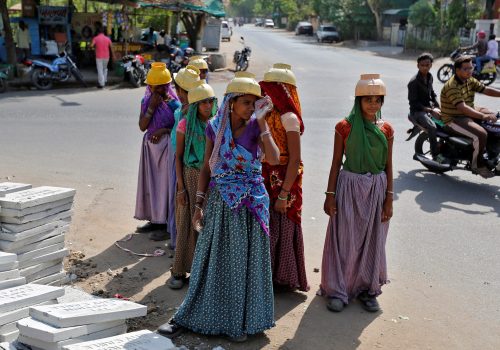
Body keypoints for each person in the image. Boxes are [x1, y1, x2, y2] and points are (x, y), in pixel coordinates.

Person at [158, 72, 280, 342]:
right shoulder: (215, 127)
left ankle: (242, 321)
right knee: (211, 260)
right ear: (231, 103)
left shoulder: (257, 127)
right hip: (220, 202)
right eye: (246, 103)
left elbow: (273, 157)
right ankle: (201, 313)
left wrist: (262, 123)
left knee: (244, 263)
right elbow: (206, 167)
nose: (251, 108)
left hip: (249, 205)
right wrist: (199, 202)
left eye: (254, 103)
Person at [321, 74, 394, 313]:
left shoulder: (386, 129)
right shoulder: (345, 127)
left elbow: (389, 166)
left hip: (376, 190)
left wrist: (389, 199)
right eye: (368, 100)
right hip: (349, 189)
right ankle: (338, 290)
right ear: (358, 101)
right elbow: (335, 163)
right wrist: (329, 194)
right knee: (345, 241)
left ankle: (367, 289)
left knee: (372, 241)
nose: (373, 104)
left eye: (377, 100)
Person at [259, 63, 309, 292]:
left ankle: (283, 277)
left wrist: (285, 192)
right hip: (265, 176)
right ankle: (267, 276)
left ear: (282, 91)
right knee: (267, 227)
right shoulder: (265, 114)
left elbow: (295, 159)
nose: (265, 94)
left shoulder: (289, 118)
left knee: (284, 224)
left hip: (284, 179)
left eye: (270, 89)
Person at [167, 80, 217, 290]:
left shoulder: (216, 125)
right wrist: (180, 188)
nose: (207, 106)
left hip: (212, 181)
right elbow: (178, 157)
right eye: (203, 103)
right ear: (195, 105)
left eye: (210, 102)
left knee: (207, 227)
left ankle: (202, 275)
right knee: (186, 225)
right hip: (189, 177)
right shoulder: (185, 124)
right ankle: (179, 271)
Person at [134, 62, 181, 239]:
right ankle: (154, 219)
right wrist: (152, 106)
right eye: (156, 87)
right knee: (151, 185)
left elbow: (178, 129)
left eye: (163, 86)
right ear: (150, 86)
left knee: (165, 186)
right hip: (150, 149)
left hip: (167, 148)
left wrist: (163, 131)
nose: (160, 90)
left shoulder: (174, 105)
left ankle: (165, 224)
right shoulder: (146, 102)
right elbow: (142, 126)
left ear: (168, 86)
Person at [440, 56, 500, 178]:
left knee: (494, 117)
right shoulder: (452, 86)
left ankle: (490, 151)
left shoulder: (469, 79)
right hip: (454, 118)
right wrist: (483, 116)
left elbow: (485, 89)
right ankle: (477, 165)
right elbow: (463, 109)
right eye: (466, 68)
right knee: (481, 134)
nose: (469, 70)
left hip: (468, 110)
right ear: (457, 70)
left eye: (471, 67)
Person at [167, 65, 201, 250]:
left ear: (181, 91)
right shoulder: (201, 111)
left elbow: (179, 154)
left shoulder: (184, 114)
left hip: (185, 169)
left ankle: (182, 250)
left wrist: (180, 186)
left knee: (183, 211)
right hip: (195, 169)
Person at [407, 53, 447, 163]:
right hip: (418, 112)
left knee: (450, 121)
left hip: (430, 107)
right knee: (432, 127)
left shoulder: (430, 77)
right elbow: (413, 103)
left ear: (431, 65)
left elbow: (432, 93)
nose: (425, 67)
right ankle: (435, 155)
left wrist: (438, 106)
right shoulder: (413, 82)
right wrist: (430, 110)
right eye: (422, 65)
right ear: (418, 66)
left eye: (427, 65)